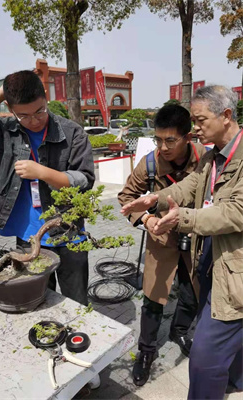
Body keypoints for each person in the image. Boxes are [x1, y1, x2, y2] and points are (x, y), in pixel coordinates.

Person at [121, 85, 243, 399]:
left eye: (200, 121)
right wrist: (151, 203)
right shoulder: (211, 157)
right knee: (154, 301)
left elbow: (234, 211)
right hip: (179, 249)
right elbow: (189, 187)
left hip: (220, 260)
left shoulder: (213, 155)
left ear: (226, 115)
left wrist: (181, 218)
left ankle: (191, 343)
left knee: (199, 334)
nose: (196, 127)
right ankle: (147, 352)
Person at [0, 70, 95, 306]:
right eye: (24, 115)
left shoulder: (72, 133)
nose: (34, 120)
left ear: (45, 97)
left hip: (69, 233)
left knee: (76, 302)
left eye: (40, 110)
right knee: (36, 300)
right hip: (28, 236)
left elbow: (85, 179)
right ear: (10, 108)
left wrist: (43, 172)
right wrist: (2, 91)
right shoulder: (5, 131)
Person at [118, 104, 207, 386]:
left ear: (188, 136)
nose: (163, 147)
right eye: (158, 139)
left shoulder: (206, 158)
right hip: (161, 237)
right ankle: (146, 351)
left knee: (192, 293)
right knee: (153, 299)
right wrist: (145, 220)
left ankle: (179, 331)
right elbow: (126, 196)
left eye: (171, 140)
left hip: (195, 237)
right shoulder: (150, 163)